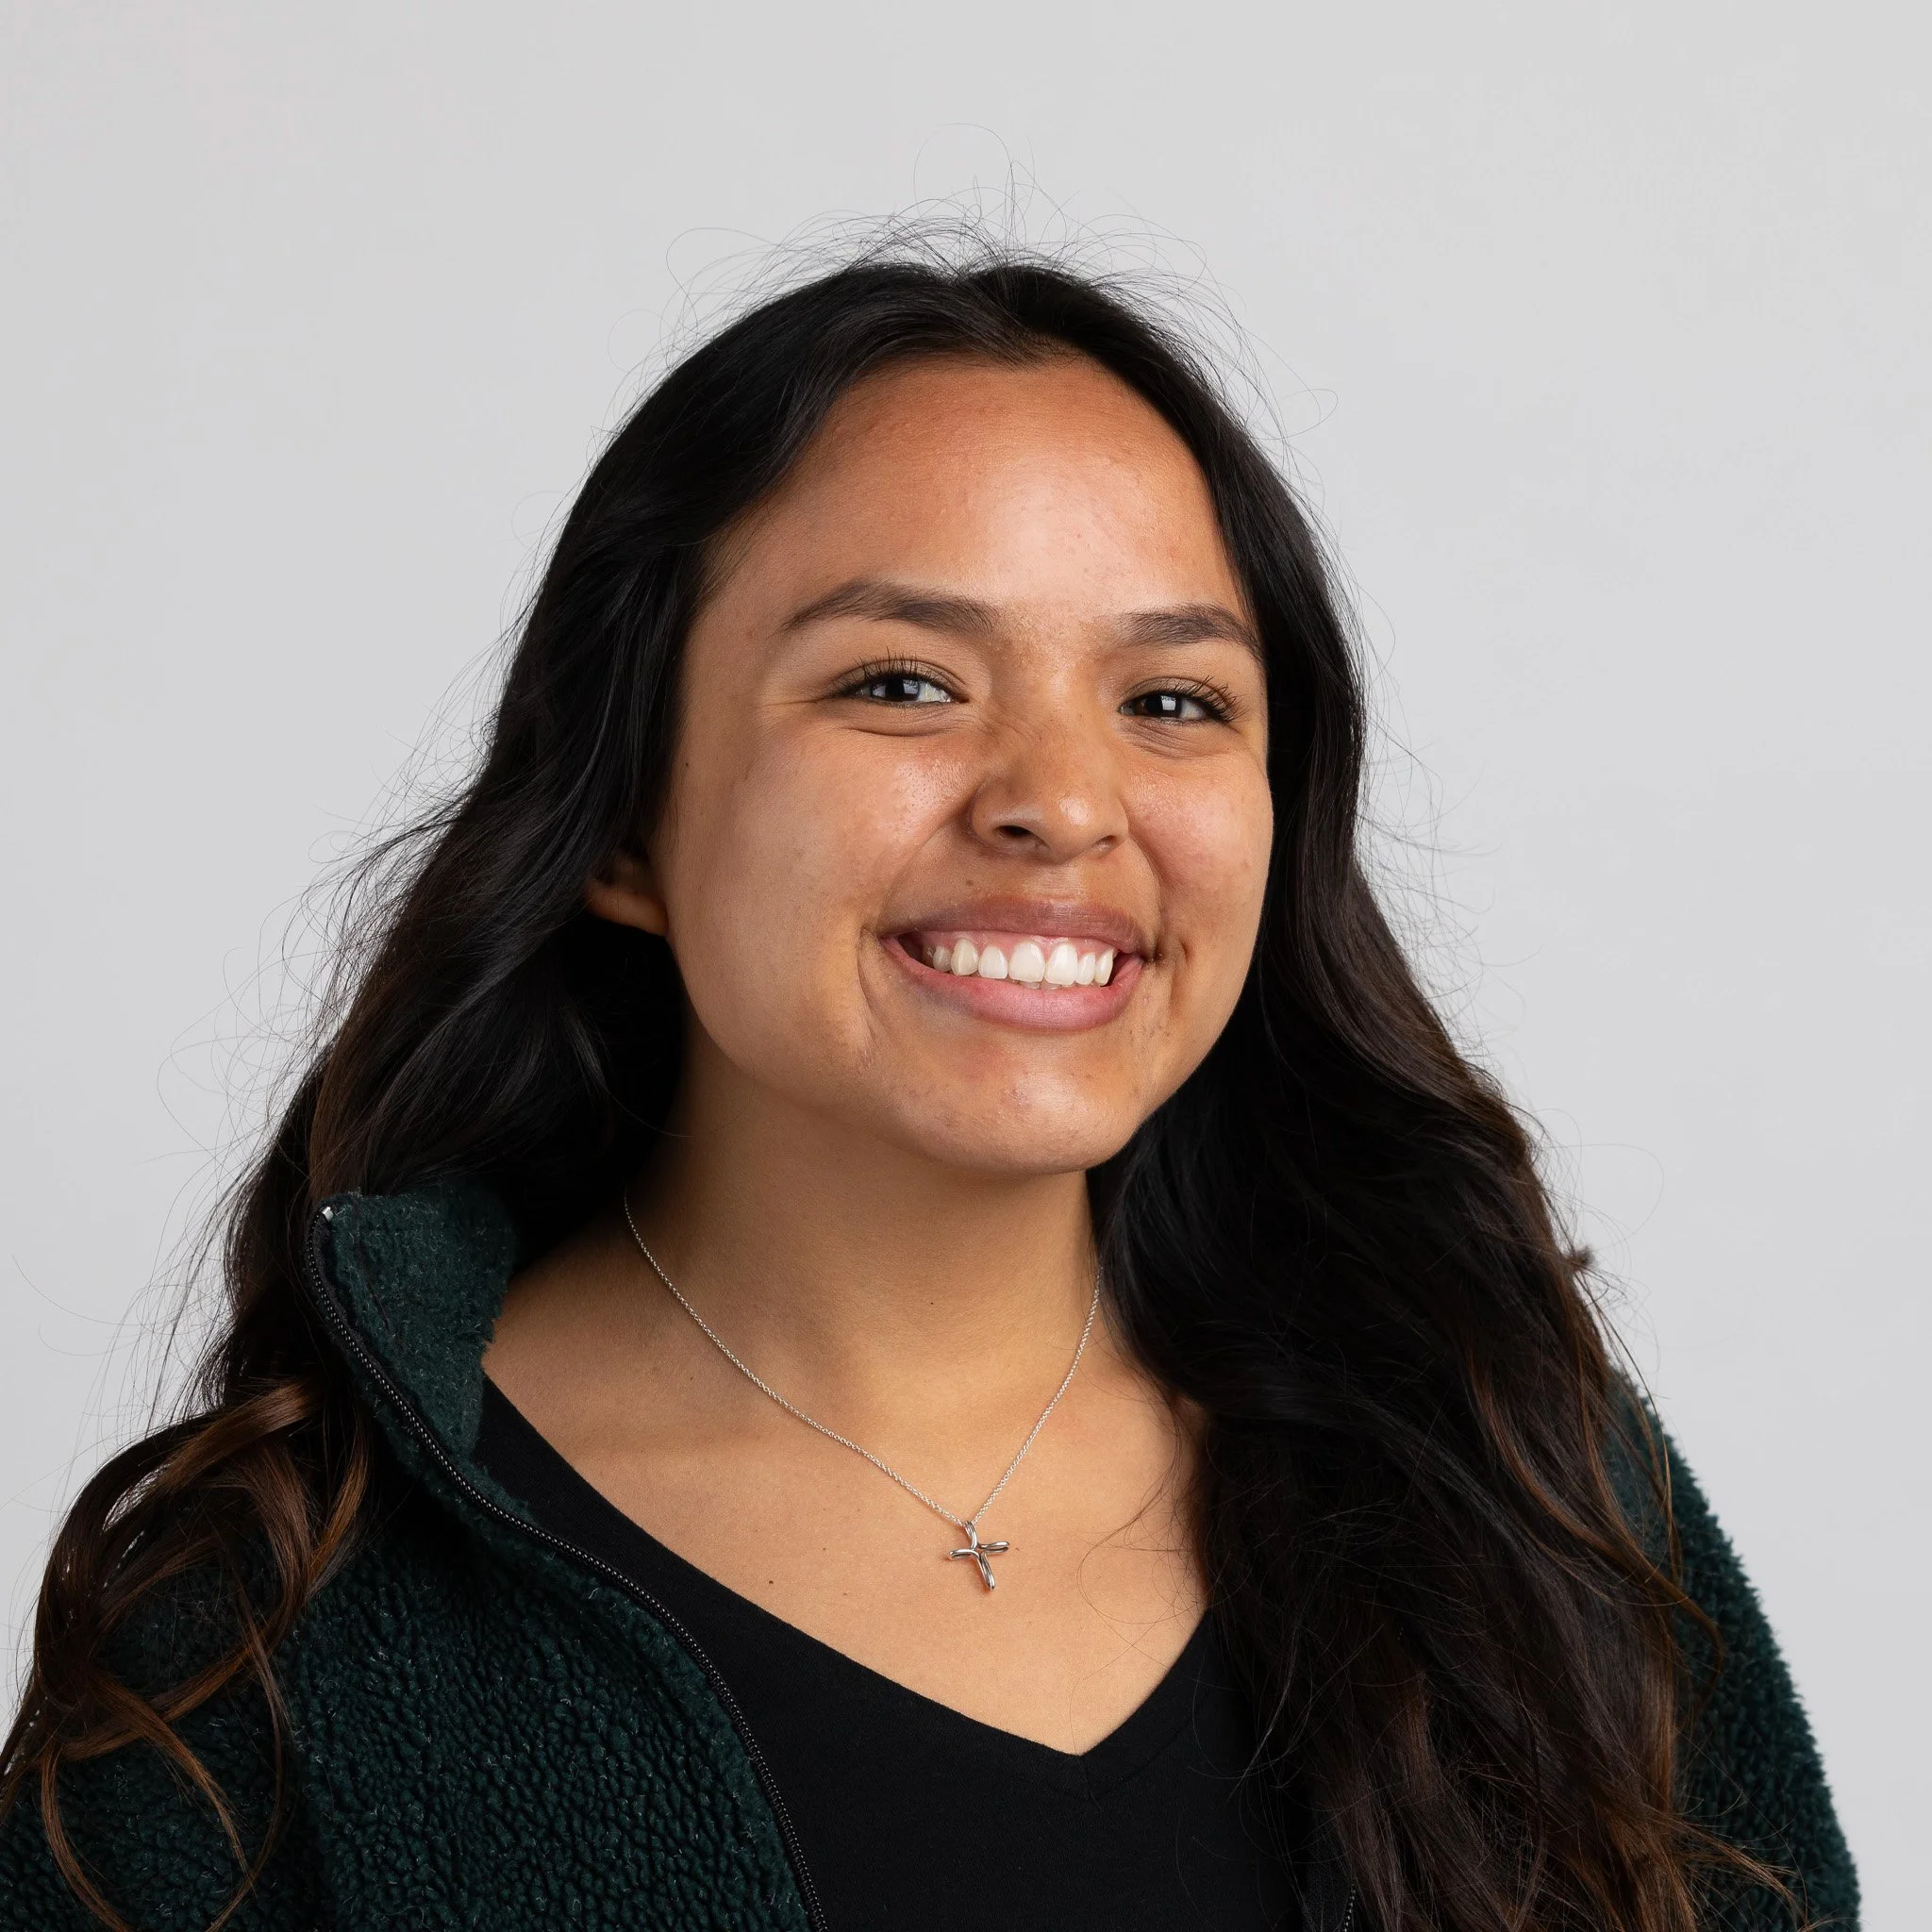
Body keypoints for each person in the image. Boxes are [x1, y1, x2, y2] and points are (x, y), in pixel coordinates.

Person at [0, 251, 1857, 1932]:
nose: (1060, 799)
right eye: (901, 682)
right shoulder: (269, 1622)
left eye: (1173, 702)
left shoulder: (1523, 1483)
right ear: (625, 819)